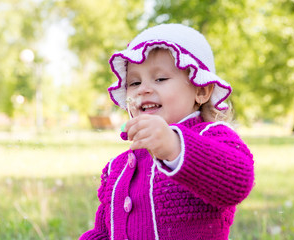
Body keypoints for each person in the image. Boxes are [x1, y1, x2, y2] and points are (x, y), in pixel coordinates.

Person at [79, 23, 254, 240]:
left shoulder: (211, 136)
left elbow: (237, 183)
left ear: (201, 90)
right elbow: (105, 231)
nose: (144, 89)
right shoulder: (118, 167)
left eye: (160, 78)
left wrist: (174, 146)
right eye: (134, 82)